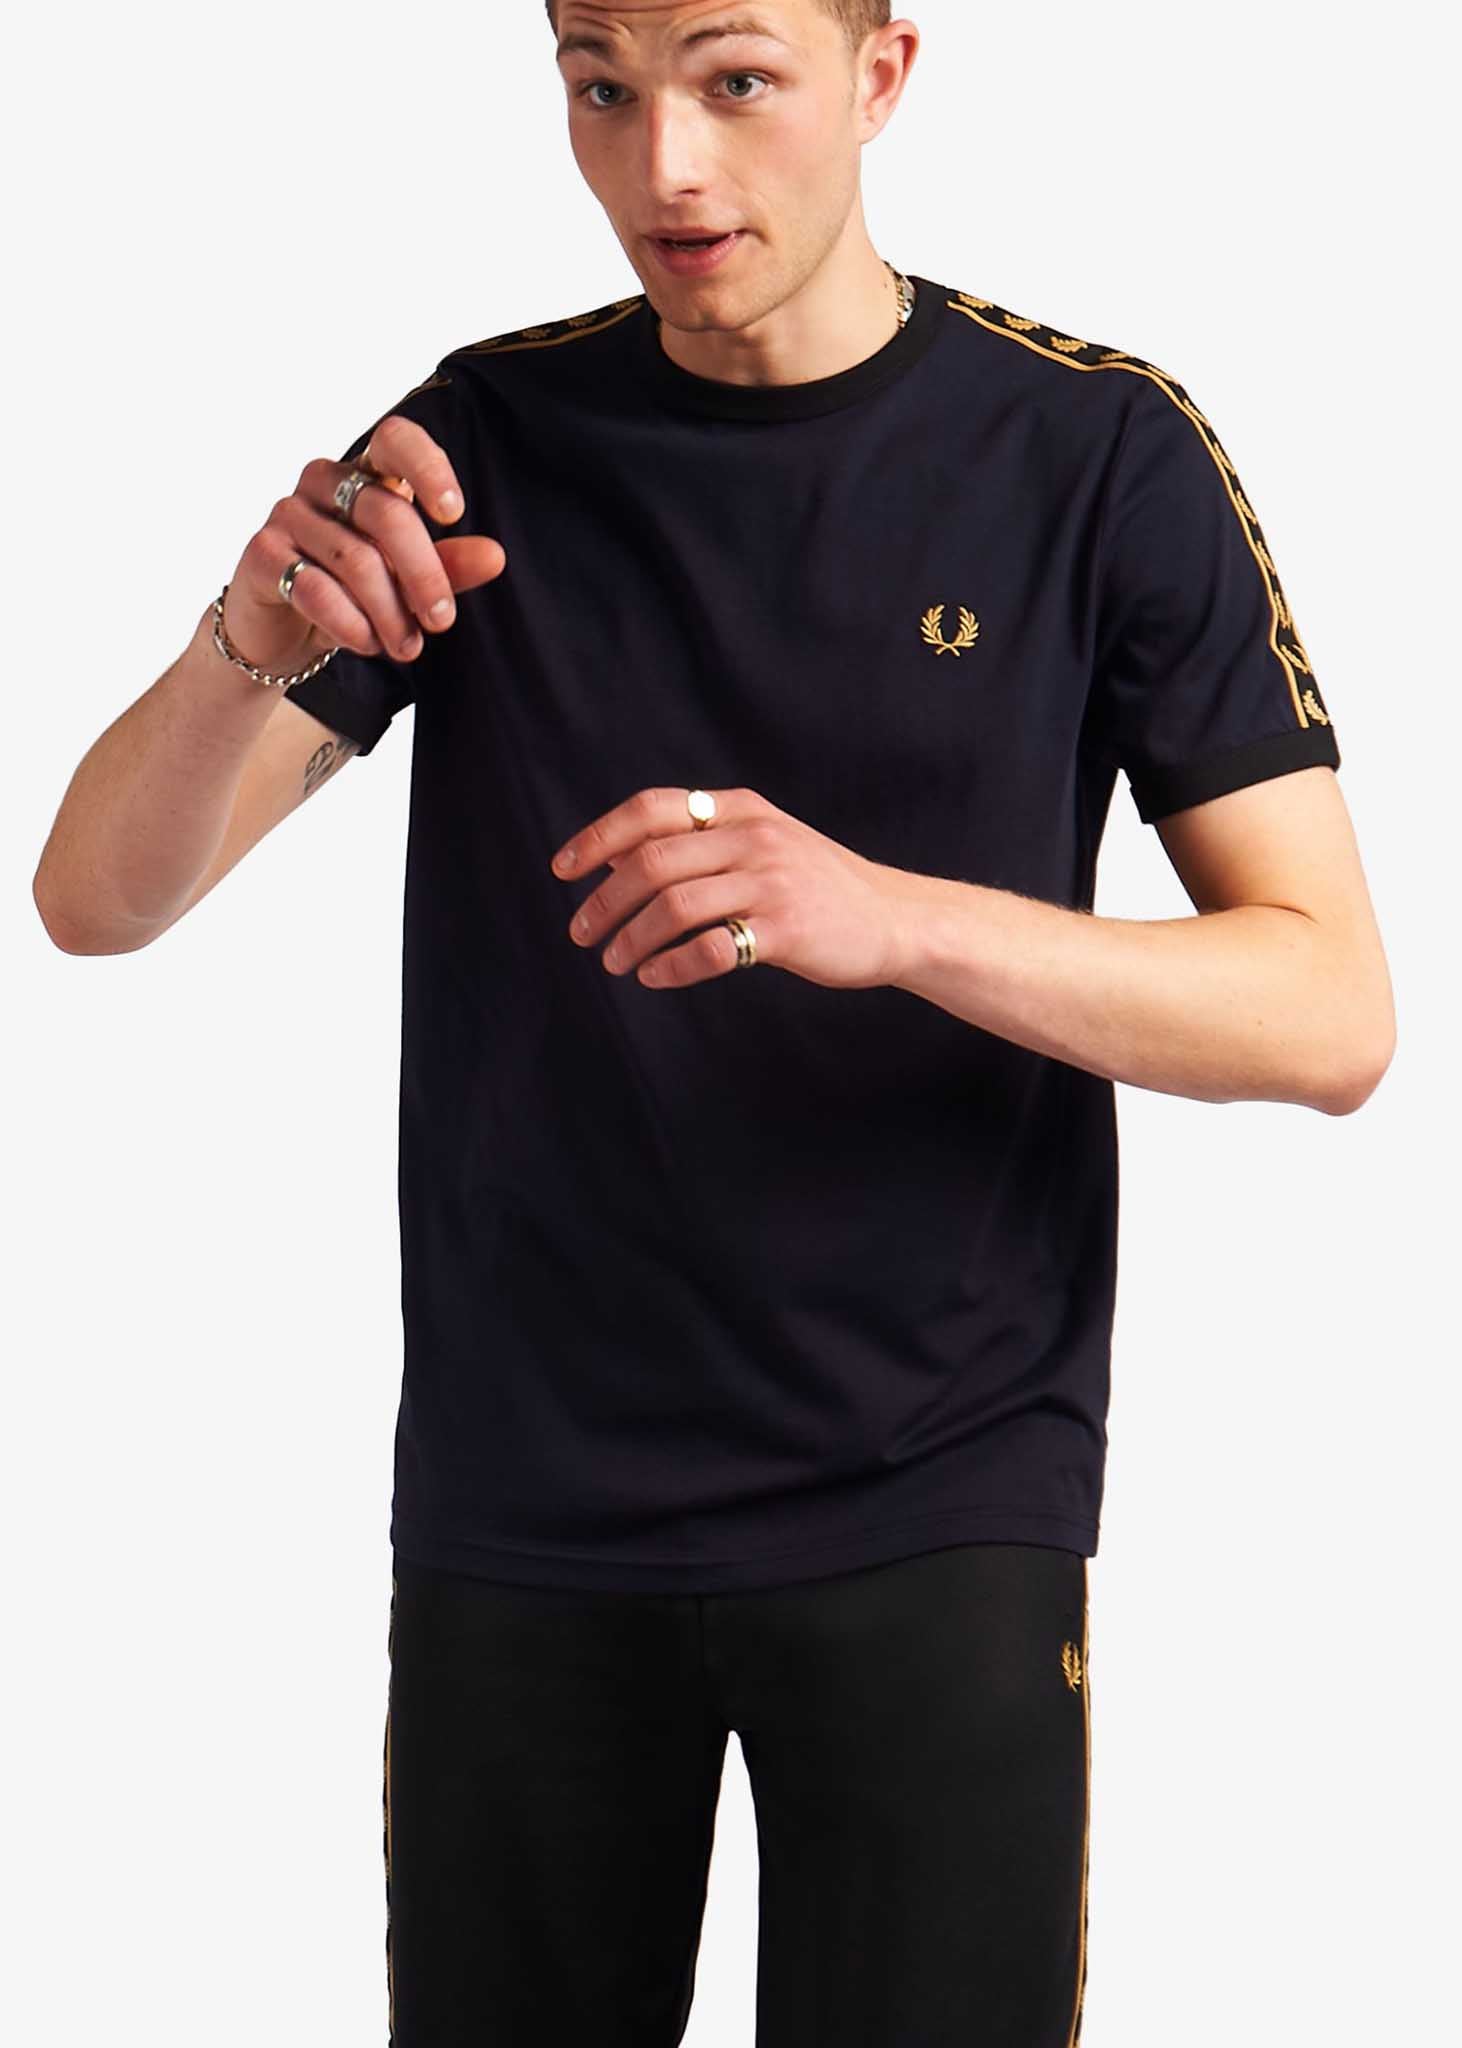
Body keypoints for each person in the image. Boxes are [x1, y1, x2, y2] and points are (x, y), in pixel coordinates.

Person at [32, 2, 1395, 2042]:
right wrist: (247, 642)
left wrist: (891, 918)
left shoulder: (1091, 451)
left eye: (733, 78)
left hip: (934, 1490)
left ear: (880, 74)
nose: (662, 165)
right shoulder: (477, 445)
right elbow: (94, 902)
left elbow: (1325, 1006)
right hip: (525, 1507)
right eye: (601, 84)